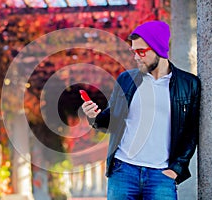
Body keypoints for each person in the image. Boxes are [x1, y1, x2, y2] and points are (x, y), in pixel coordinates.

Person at [81, 20, 201, 200]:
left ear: (159, 49)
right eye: (133, 51)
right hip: (123, 172)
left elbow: (191, 132)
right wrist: (94, 118)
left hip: (161, 176)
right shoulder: (126, 80)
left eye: (141, 52)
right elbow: (111, 122)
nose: (136, 57)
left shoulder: (188, 84)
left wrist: (177, 168)